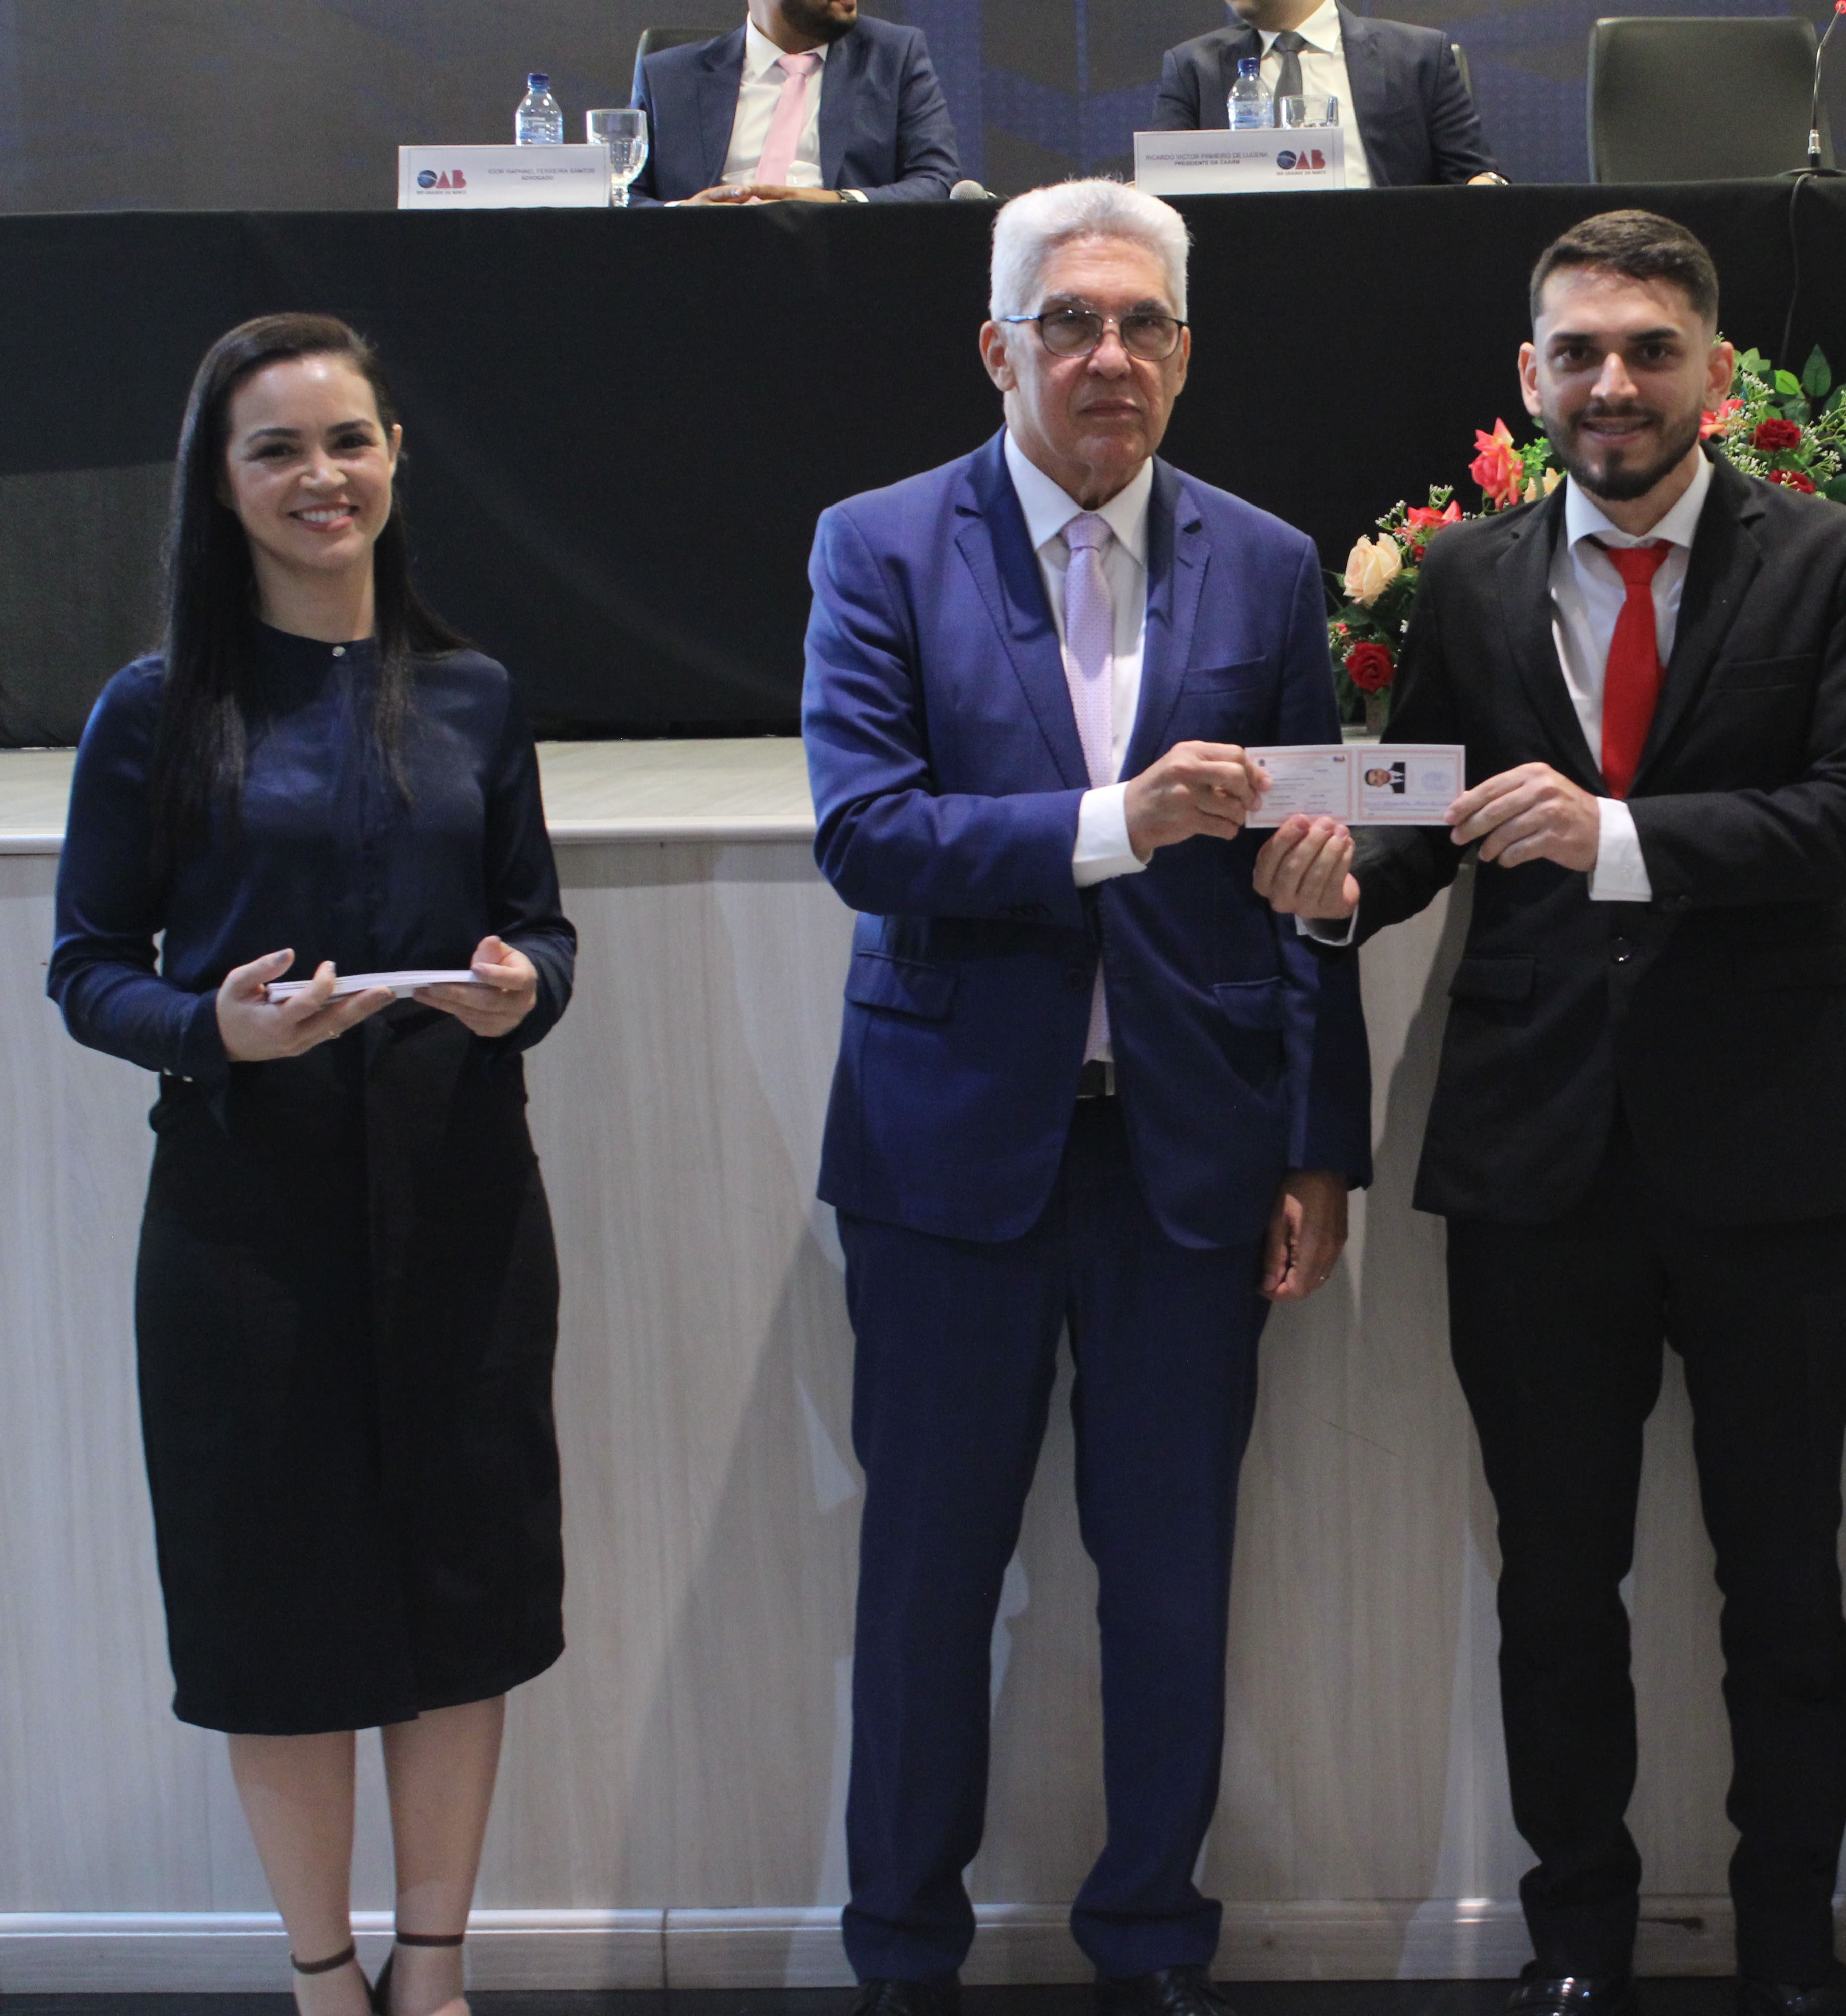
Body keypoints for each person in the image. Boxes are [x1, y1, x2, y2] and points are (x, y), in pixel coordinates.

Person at [1256, 209, 1846, 2016]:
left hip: (1768, 1155)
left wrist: (1616, 836)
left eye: (1646, 350)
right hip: (1530, 1156)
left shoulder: (1833, 563)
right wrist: (1334, 884)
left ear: (1714, 372)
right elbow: (1423, 815)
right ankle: (1575, 1940)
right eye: (1577, 352)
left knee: (1785, 1583)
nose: (1610, 383)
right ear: (1528, 376)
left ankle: (1791, 1943)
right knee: (1554, 1587)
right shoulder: (1468, 579)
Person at [802, 177, 1371, 2016]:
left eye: (1141, 325)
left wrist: (1319, 1137)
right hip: (946, 1152)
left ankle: (1152, 1943)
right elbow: (865, 834)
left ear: (1184, 356)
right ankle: (903, 1953)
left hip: (1189, 1152)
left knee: (1172, 1581)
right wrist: (1114, 824)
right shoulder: (877, 545)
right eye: (1070, 322)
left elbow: (1313, 873)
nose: (1107, 355)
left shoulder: (1267, 563)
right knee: (926, 1580)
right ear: (999, 348)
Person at [48, 313, 574, 2016]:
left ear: (397, 456)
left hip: (462, 1208)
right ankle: (324, 1981)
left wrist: (522, 989)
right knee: (276, 1613)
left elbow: (544, 932)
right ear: (220, 483)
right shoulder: (153, 712)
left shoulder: (477, 694)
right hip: (242, 1225)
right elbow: (86, 971)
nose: (320, 477)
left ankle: (436, 1975)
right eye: (275, 449)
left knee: (463, 1596)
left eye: (348, 440)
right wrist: (214, 1030)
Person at [630, 0, 959, 205]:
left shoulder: (893, 57)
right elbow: (621, 196)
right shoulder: (667, 77)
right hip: (706, 271)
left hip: (844, 267)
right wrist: (683, 214)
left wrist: (837, 202)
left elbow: (939, 183)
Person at [1153, 1, 1505, 187]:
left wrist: (1482, 187)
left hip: (1388, 266)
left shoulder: (1416, 58)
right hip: (1242, 274)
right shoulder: (1193, 69)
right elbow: (1159, 190)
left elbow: (1474, 176)